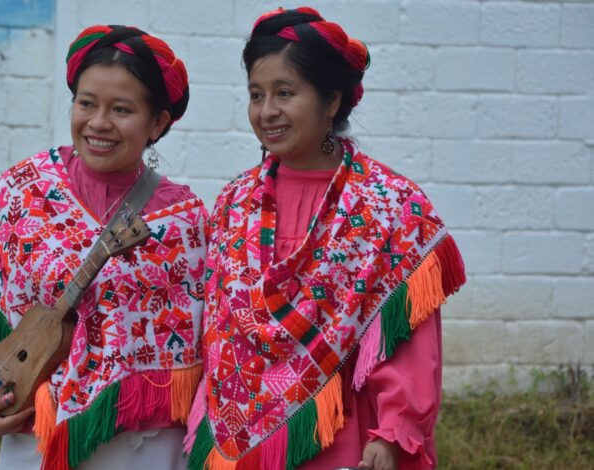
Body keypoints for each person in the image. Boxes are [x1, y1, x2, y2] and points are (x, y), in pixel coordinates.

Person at [183, 7, 466, 470]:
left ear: (332, 101)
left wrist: (394, 432)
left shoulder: (387, 206)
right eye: (257, 94)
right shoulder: (235, 201)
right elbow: (219, 331)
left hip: (342, 436)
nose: (267, 111)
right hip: (237, 441)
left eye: (285, 93)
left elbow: (407, 337)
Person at [0, 24, 208, 470]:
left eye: (121, 109)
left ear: (157, 122)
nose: (98, 123)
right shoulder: (26, 189)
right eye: (86, 103)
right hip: (36, 429)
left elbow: (208, 334)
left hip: (145, 442)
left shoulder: (184, 218)